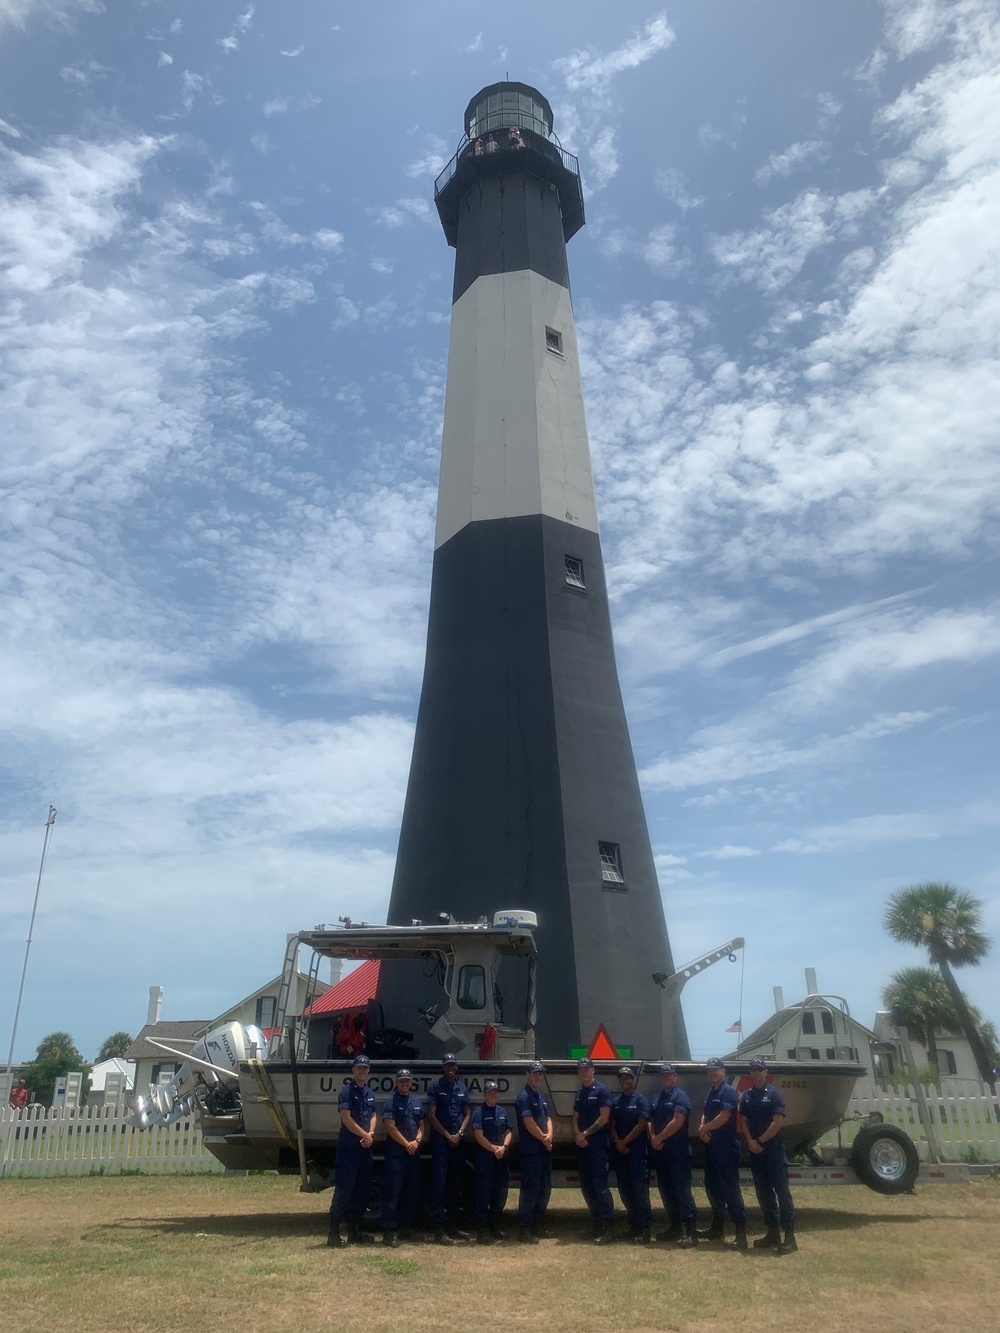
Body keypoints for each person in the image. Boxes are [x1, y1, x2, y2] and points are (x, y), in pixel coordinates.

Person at [739, 1056, 797, 1254]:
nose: (756, 1072)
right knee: (764, 1194)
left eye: (759, 1069)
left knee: (782, 1193)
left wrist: (760, 1141)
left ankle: (790, 1237)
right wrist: (750, 1142)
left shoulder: (774, 1094)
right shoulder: (746, 1096)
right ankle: (772, 1233)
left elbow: (777, 1122)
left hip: (773, 1151)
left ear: (766, 1072)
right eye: (753, 1069)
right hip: (756, 1152)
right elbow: (744, 1121)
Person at [697, 1057, 748, 1249]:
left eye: (716, 1070)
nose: (712, 1073)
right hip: (711, 1147)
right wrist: (703, 1126)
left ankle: (740, 1234)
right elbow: (705, 1112)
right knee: (713, 1190)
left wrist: (703, 1129)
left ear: (723, 1071)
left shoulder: (728, 1092)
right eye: (710, 1070)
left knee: (730, 1191)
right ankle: (716, 1228)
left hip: (726, 1148)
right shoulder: (711, 1091)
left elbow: (723, 1117)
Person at [327, 1055, 377, 1248]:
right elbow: (346, 1119)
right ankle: (333, 1233)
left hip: (365, 1149)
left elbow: (373, 1113)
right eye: (359, 1068)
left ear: (368, 1071)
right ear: (353, 1070)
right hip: (349, 1149)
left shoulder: (369, 1093)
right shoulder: (346, 1092)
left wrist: (370, 1134)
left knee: (362, 1191)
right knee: (344, 1190)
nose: (362, 1071)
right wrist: (365, 1134)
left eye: (365, 1068)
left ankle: (355, 1232)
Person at [648, 1063, 698, 1246]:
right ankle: (675, 1227)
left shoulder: (680, 1097)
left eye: (670, 1075)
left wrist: (658, 1138)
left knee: (682, 1192)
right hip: (661, 1153)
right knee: (667, 1192)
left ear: (676, 1077)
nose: (666, 1078)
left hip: (678, 1153)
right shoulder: (657, 1098)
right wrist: (653, 1137)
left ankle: (691, 1232)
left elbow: (677, 1122)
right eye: (664, 1075)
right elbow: (650, 1120)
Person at [427, 1053, 471, 1244]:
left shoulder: (461, 1087)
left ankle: (454, 1226)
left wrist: (459, 1134)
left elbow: (468, 1113)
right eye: (447, 1065)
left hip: (458, 1142)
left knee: (456, 1184)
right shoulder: (436, 1087)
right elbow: (432, 1115)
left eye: (453, 1065)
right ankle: (439, 1229)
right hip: (441, 1141)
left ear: (457, 1067)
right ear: (443, 1068)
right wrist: (448, 1136)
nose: (451, 1068)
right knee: (440, 1183)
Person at [380, 1068, 425, 1248]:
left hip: (413, 1153)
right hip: (396, 1154)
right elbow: (390, 1127)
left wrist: (417, 1141)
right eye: (402, 1081)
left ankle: (406, 1228)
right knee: (392, 1192)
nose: (405, 1084)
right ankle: (389, 1232)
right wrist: (407, 1143)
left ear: (411, 1082)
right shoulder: (391, 1103)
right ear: (396, 1083)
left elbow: (422, 1125)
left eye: (407, 1081)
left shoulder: (416, 1102)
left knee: (411, 1192)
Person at [573, 1057, 615, 1244]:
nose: (584, 1072)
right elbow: (575, 1116)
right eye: (581, 1070)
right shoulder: (580, 1093)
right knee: (587, 1186)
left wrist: (585, 1134)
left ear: (593, 1070)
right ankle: (596, 1224)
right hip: (583, 1146)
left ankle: (609, 1228)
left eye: (587, 1069)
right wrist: (577, 1135)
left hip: (597, 1146)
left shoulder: (601, 1090)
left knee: (600, 1186)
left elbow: (604, 1118)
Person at [610, 1067, 652, 1243]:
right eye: (622, 1079)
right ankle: (633, 1225)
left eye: (628, 1078)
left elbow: (642, 1124)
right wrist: (618, 1142)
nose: (625, 1081)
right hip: (621, 1154)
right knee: (625, 1191)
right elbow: (611, 1124)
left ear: (633, 1080)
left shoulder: (640, 1100)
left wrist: (625, 1142)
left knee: (640, 1192)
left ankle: (644, 1230)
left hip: (636, 1153)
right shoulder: (616, 1101)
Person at [514, 1061, 553, 1242]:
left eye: (540, 1074)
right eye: (535, 1073)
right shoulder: (523, 1097)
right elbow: (529, 1122)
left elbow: (548, 1117)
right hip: (531, 1150)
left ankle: (537, 1225)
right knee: (530, 1189)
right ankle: (524, 1229)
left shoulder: (540, 1095)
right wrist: (544, 1138)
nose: (538, 1077)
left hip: (544, 1149)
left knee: (544, 1188)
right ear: (527, 1074)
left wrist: (549, 1136)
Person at [471, 1080, 512, 1244]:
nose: (493, 1095)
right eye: (490, 1092)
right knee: (483, 1195)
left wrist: (504, 1146)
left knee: (500, 1194)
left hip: (501, 1158)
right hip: (486, 1158)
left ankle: (495, 1227)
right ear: (484, 1094)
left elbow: (509, 1131)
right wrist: (494, 1149)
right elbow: (478, 1135)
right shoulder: (479, 1112)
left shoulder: (502, 1111)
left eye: (495, 1092)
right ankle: (482, 1232)